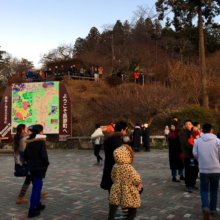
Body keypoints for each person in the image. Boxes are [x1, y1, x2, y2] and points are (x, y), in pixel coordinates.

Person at [100, 121, 128, 220]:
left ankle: (115, 214)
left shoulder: (109, 138)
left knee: (113, 196)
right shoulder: (117, 140)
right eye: (125, 130)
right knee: (115, 198)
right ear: (122, 130)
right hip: (114, 172)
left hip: (108, 170)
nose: (125, 132)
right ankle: (111, 217)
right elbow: (119, 158)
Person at [14, 125, 47, 205]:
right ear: (22, 129)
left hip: (23, 161)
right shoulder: (25, 139)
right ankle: (20, 197)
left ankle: (39, 192)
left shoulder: (18, 137)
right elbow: (28, 153)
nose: (27, 129)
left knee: (32, 178)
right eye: (25, 128)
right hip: (28, 163)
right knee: (28, 180)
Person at [193, 123, 220, 219]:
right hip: (216, 169)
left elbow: (195, 153)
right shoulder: (217, 141)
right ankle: (213, 210)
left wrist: (200, 160)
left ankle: (205, 207)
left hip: (203, 169)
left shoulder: (197, 141)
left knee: (204, 189)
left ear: (202, 131)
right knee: (214, 189)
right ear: (212, 130)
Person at [109, 145, 142, 220]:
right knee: (132, 213)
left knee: (125, 212)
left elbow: (113, 178)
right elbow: (137, 179)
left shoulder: (115, 166)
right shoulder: (128, 167)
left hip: (119, 193)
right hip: (129, 194)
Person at [24, 124, 49, 218]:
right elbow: (44, 156)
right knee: (35, 188)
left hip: (32, 167)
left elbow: (25, 155)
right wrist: (46, 164)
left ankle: (38, 204)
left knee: (39, 185)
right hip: (39, 167)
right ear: (41, 132)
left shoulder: (29, 142)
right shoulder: (41, 142)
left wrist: (30, 162)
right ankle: (31, 210)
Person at [180, 120, 199, 193]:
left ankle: (193, 183)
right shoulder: (182, 133)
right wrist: (195, 147)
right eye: (186, 124)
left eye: (189, 124)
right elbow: (185, 144)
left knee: (195, 170)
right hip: (187, 155)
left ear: (192, 125)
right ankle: (188, 185)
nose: (188, 125)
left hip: (195, 155)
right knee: (188, 170)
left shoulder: (194, 132)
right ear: (184, 125)